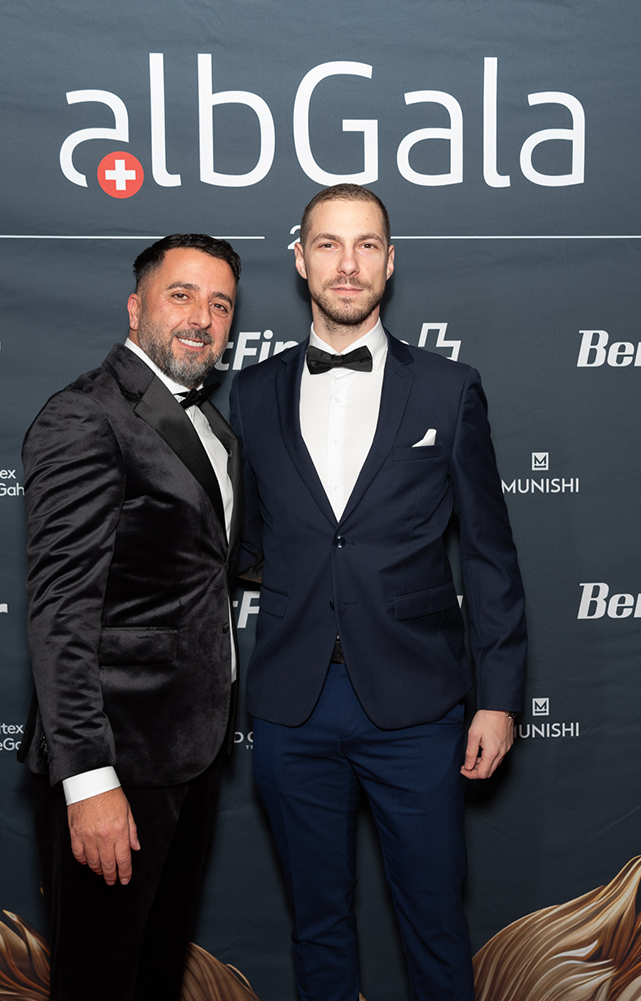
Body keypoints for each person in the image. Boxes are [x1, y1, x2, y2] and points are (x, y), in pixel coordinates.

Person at [229, 185, 527, 1000]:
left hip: (417, 705)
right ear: (300, 260)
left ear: (390, 262)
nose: (347, 264)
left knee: (434, 921)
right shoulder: (251, 392)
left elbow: (490, 556)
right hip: (291, 703)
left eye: (366, 245)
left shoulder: (449, 389)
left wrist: (499, 698)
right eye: (328, 244)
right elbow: (241, 541)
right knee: (316, 924)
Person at [18, 233, 242, 1001]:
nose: (202, 317)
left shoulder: (212, 426)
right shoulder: (85, 415)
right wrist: (88, 780)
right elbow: (61, 612)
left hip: (191, 752)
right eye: (182, 295)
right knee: (99, 982)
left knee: (153, 977)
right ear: (135, 307)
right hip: (118, 762)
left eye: (221, 304)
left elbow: (204, 563)